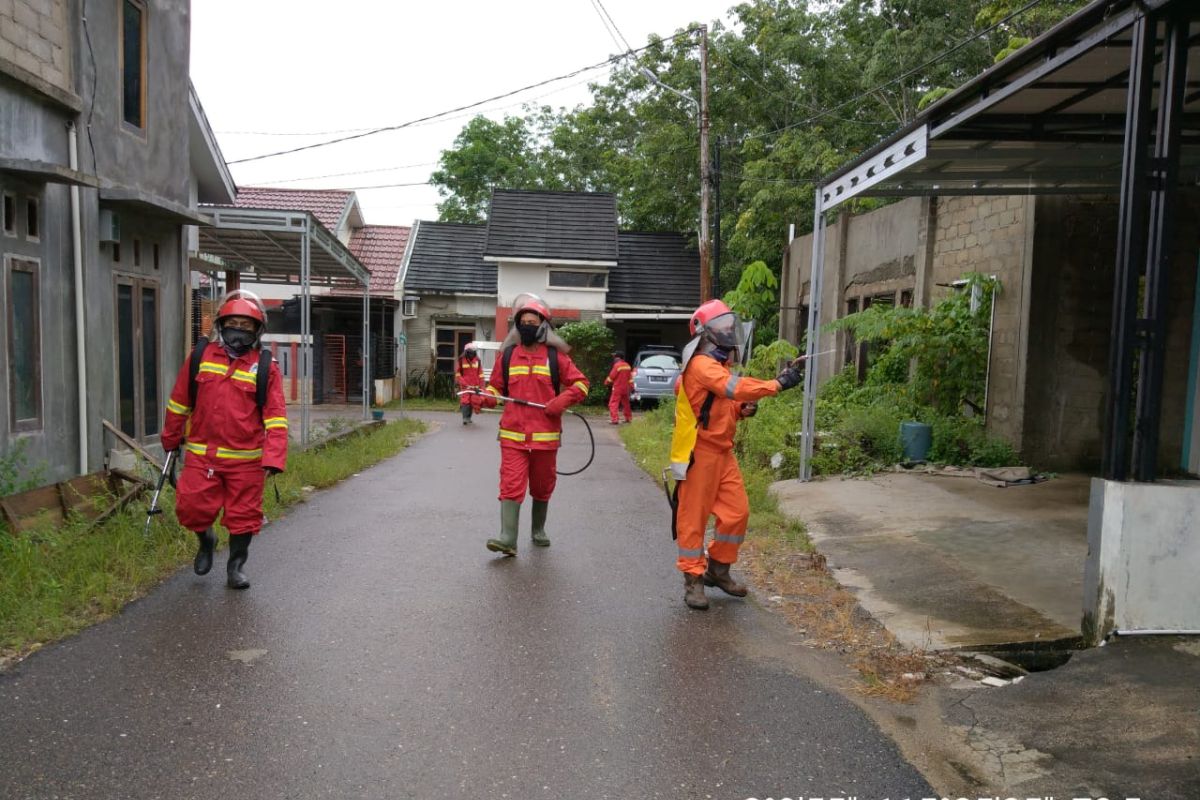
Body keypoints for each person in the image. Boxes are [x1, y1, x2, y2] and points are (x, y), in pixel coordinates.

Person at [668, 299, 802, 610]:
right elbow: (734, 389)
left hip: (722, 452)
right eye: (722, 327)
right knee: (693, 520)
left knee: (737, 513)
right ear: (706, 334)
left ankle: (718, 570)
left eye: (730, 326)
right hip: (698, 453)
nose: (729, 331)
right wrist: (777, 384)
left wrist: (741, 410)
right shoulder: (701, 365)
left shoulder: (719, 366)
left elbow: (725, 403)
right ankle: (693, 581)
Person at [161, 290, 288, 590]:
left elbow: (276, 418)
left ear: (257, 330)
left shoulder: (266, 368)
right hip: (202, 455)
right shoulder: (201, 357)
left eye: (246, 326)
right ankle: (206, 540)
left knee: (244, 517)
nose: (239, 331)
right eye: (233, 323)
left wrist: (273, 458)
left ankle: (236, 566)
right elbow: (179, 402)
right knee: (190, 508)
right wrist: (170, 439)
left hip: (246, 461)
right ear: (221, 324)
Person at [479, 293, 589, 556]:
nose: (527, 325)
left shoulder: (556, 358)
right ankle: (508, 538)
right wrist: (485, 398)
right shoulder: (507, 357)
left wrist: (561, 401)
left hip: (545, 437)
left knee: (542, 485)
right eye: (523, 321)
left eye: (532, 321)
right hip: (512, 435)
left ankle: (538, 529)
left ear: (543, 326)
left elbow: (582, 384)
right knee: (511, 483)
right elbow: (495, 388)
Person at [455, 343, 484, 425]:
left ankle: (469, 418)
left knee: (472, 401)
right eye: (471, 352)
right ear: (467, 352)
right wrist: (463, 383)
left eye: (474, 352)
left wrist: (481, 385)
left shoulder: (478, 360)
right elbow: (458, 374)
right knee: (465, 401)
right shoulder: (461, 360)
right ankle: (465, 418)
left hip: (475, 386)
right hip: (465, 385)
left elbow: (480, 374)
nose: (473, 354)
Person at [604, 351, 633, 425]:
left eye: (615, 357)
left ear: (618, 358)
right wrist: (632, 386)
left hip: (617, 388)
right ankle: (628, 418)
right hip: (626, 388)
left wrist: (606, 382)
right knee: (626, 404)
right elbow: (630, 378)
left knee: (613, 403)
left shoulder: (617, 366)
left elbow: (611, 376)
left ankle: (615, 419)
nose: (614, 358)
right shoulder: (627, 365)